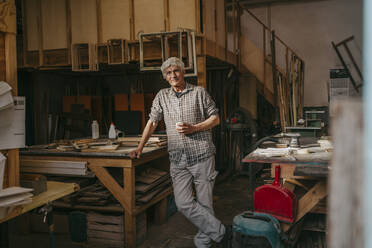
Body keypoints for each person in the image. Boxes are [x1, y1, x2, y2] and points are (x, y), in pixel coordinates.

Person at [130, 57, 231, 247]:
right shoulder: (162, 96)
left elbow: (215, 119)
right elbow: (152, 122)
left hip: (202, 155)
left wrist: (195, 128)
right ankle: (221, 232)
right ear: (165, 77)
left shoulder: (199, 92)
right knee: (183, 202)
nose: (173, 75)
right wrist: (139, 147)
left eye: (176, 71)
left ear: (183, 72)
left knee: (205, 204)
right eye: (168, 73)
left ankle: (204, 243)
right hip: (178, 158)